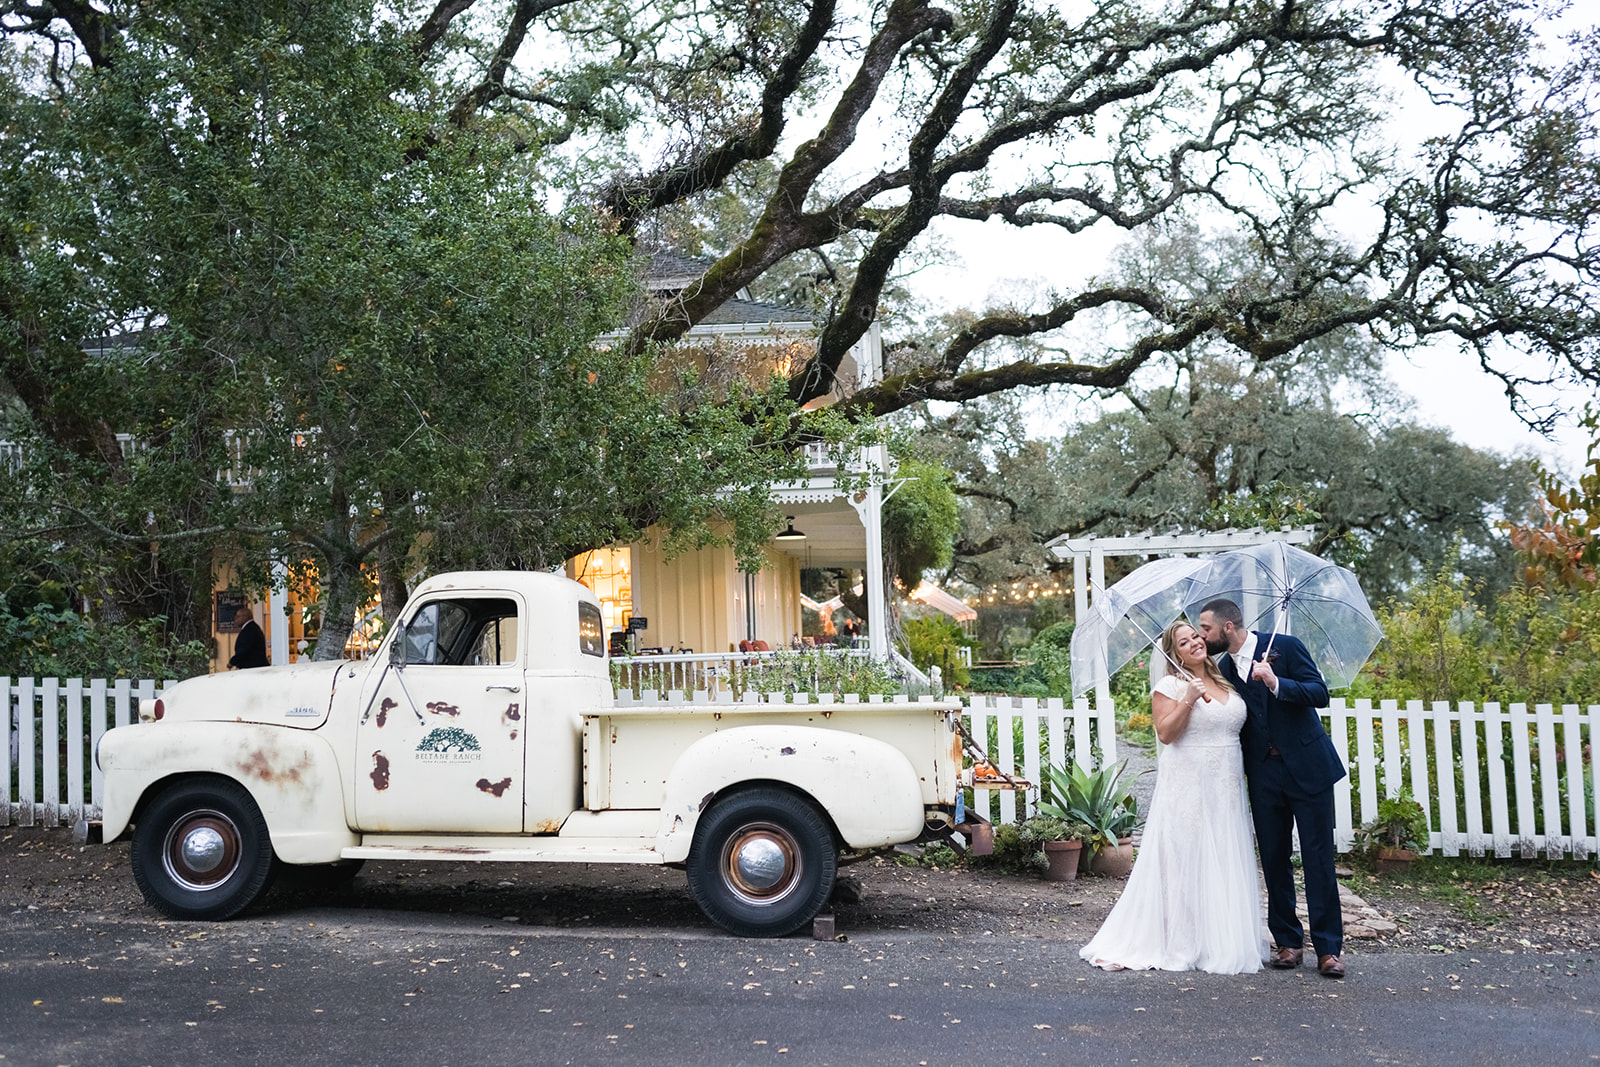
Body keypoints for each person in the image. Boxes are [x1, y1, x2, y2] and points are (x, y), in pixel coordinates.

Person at [1079, 620, 1267, 974]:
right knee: (1186, 857)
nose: (1195, 642)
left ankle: (1219, 939)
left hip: (1224, 784)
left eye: (1196, 635)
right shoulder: (1171, 684)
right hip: (1188, 781)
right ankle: (1182, 942)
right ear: (1173, 653)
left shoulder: (1224, 678)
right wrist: (1188, 700)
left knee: (1223, 853)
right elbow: (1165, 734)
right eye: (1184, 641)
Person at [1197, 597, 1346, 979]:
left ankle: (1329, 949)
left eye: (1206, 628)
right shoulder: (1224, 668)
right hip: (1263, 775)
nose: (1202, 635)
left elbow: (1319, 693)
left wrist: (1276, 681)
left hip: (1308, 770)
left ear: (1228, 627)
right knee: (1275, 860)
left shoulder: (1286, 647)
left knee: (1317, 859)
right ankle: (1288, 943)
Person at [228, 604, 269, 669]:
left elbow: (244, 649)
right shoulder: (252, 628)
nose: (235, 618)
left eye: (238, 616)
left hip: (253, 668)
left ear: (245, 617)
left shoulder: (249, 630)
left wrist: (232, 662)